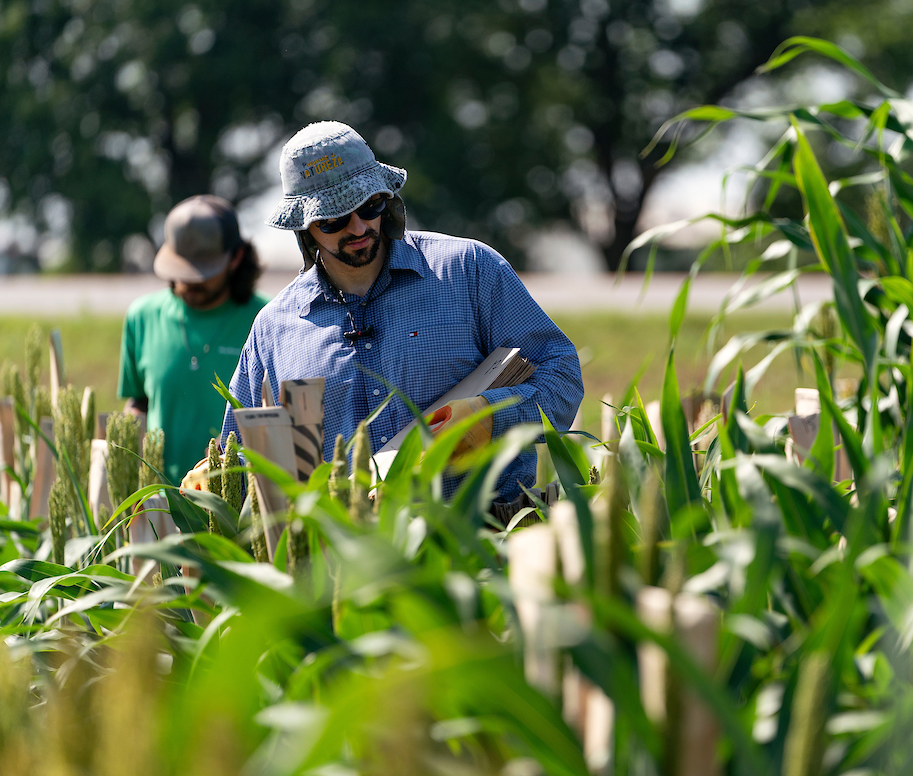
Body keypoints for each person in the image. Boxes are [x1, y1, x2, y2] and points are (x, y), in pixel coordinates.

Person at [218, 121, 582, 501]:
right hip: (353, 557)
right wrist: (213, 482)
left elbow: (563, 375)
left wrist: (491, 418)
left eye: (369, 205)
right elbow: (241, 457)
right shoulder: (273, 329)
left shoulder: (469, 270)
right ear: (305, 227)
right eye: (335, 219)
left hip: (484, 544)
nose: (358, 226)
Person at [119, 195, 269, 487]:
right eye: (182, 269)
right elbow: (139, 402)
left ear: (236, 258)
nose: (189, 281)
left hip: (238, 503)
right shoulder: (142, 316)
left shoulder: (266, 320)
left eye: (203, 271)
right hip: (159, 504)